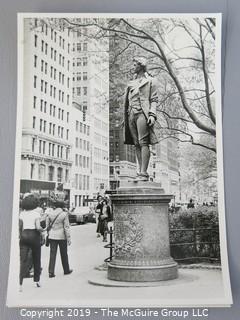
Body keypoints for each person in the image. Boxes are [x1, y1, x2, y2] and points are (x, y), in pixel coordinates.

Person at [123, 56, 160, 181]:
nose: (132, 67)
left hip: (142, 114)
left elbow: (154, 100)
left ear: (141, 66)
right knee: (136, 144)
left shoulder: (151, 81)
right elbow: (127, 102)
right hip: (131, 114)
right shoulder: (131, 83)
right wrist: (126, 117)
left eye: (134, 65)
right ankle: (140, 172)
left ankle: (144, 173)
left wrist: (152, 115)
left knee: (143, 142)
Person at [19, 194, 43, 291]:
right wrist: (43, 229)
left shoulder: (22, 214)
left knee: (23, 260)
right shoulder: (36, 214)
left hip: (24, 236)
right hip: (34, 236)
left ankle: (20, 284)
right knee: (36, 258)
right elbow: (38, 227)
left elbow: (20, 227)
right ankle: (37, 281)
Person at [46, 200, 72, 278]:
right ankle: (66, 270)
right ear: (62, 206)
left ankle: (51, 272)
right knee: (64, 253)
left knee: (52, 254)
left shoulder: (50, 213)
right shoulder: (64, 214)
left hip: (52, 236)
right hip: (62, 236)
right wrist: (68, 238)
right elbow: (66, 227)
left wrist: (48, 233)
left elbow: (47, 225)